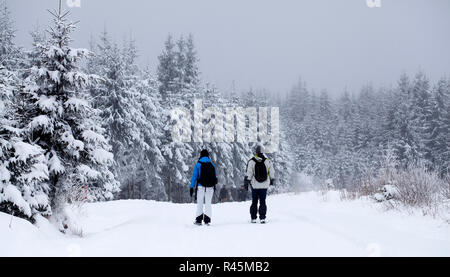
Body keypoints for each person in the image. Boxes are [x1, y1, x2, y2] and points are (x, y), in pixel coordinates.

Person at [243, 145, 275, 224]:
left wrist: (247, 182)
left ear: (256, 152)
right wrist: (272, 180)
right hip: (264, 185)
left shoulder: (251, 161)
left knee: (254, 201)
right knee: (263, 201)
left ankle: (253, 218)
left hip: (254, 185)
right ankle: (262, 218)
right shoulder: (267, 161)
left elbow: (249, 173)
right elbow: (272, 172)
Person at [190, 149, 218, 225]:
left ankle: (199, 220)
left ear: (201, 155)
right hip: (210, 187)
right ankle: (207, 220)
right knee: (208, 203)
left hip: (200, 187)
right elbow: (215, 177)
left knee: (200, 203)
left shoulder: (198, 164)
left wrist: (191, 187)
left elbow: (194, 177)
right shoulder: (212, 164)